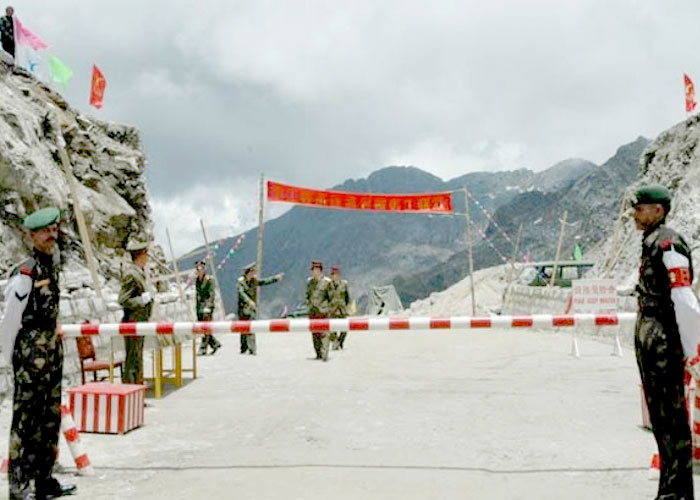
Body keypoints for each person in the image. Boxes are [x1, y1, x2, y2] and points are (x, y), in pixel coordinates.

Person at [0, 207, 77, 499]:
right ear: (31, 235)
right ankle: (18, 487)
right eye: (45, 231)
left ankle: (44, 481)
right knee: (25, 423)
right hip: (29, 359)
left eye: (54, 230)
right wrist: (9, 359)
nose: (51, 235)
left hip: (51, 356)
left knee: (49, 419)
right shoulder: (25, 272)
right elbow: (9, 321)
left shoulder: (51, 266)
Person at [631, 184, 700, 500]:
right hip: (653, 339)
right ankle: (670, 490)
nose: (635, 213)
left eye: (641, 207)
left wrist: (694, 350)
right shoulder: (652, 242)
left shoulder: (669, 244)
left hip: (663, 342)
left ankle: (678, 493)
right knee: (661, 420)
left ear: (658, 210)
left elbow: (684, 299)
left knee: (672, 420)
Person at [118, 238, 153, 384]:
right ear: (140, 256)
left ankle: (137, 391)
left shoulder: (139, 272)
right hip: (133, 322)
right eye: (146, 255)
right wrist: (141, 300)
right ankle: (130, 389)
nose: (147, 258)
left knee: (137, 358)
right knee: (133, 359)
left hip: (140, 321)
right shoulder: (131, 274)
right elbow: (123, 299)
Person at [236, 262, 283, 354]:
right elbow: (241, 293)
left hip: (252, 308)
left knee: (251, 327)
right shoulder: (240, 282)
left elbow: (264, 282)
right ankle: (243, 347)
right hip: (243, 308)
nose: (254, 274)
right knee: (243, 328)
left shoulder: (254, 281)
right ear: (248, 272)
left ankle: (252, 349)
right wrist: (249, 301)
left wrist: (275, 279)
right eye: (253, 272)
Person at [306, 260, 332, 361]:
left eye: (315, 270)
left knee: (325, 332)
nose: (313, 272)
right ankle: (318, 353)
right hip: (313, 311)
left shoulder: (327, 282)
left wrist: (328, 308)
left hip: (323, 311)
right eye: (312, 270)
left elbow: (330, 297)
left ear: (320, 270)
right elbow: (308, 295)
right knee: (315, 333)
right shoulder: (310, 282)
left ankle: (325, 353)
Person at [195, 260, 221, 355]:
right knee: (203, 328)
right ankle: (215, 343)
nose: (199, 270)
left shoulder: (209, 279)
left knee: (205, 328)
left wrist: (208, 306)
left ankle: (203, 348)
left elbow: (211, 294)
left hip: (207, 307)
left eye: (200, 268)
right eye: (197, 269)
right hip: (199, 307)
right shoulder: (197, 280)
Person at [328, 266, 351, 350]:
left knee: (344, 328)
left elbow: (347, 296)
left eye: (337, 274)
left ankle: (340, 342)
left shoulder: (344, 284)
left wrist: (347, 305)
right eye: (333, 275)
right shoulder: (328, 285)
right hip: (332, 309)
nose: (335, 276)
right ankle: (335, 340)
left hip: (342, 309)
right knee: (330, 329)